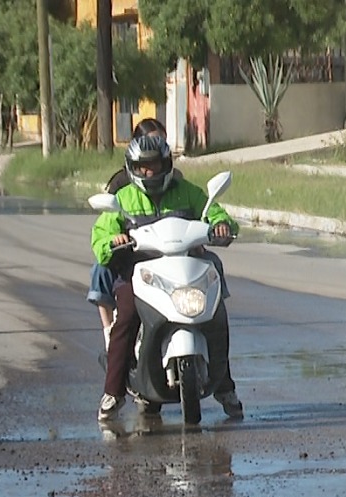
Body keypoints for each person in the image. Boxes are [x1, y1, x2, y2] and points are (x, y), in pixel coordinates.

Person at [92, 133, 242, 423]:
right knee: (125, 315)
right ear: (132, 168)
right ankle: (113, 392)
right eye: (143, 167)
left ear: (167, 164)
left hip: (185, 267)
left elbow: (215, 212)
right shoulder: (123, 199)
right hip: (142, 270)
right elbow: (100, 236)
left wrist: (221, 225)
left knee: (216, 318)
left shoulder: (188, 191)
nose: (150, 172)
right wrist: (113, 240)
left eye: (156, 165)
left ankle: (224, 386)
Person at [89, 118, 175, 342]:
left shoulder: (176, 181)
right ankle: (109, 330)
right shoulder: (120, 184)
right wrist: (117, 239)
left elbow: (196, 211)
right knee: (101, 269)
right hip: (133, 251)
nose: (155, 153)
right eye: (151, 142)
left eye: (162, 142)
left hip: (169, 250)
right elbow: (107, 223)